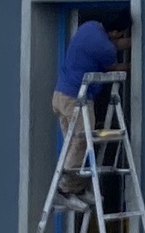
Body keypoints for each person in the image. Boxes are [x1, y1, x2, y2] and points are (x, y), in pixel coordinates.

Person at [50, 14, 128, 192]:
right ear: (115, 32)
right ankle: (65, 189)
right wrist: (131, 66)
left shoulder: (89, 27)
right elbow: (113, 66)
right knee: (82, 141)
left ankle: (74, 188)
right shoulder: (106, 48)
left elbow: (114, 45)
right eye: (120, 34)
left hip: (60, 95)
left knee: (72, 145)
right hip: (77, 100)